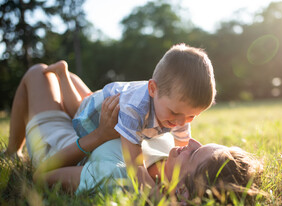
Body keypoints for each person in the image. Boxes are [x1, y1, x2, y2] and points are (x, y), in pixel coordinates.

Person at [5, 61, 263, 199]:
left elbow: (42, 177)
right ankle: (66, 79)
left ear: (182, 191)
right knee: (71, 82)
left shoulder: (122, 180)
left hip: (61, 143)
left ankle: (11, 151)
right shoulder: (172, 150)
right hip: (93, 123)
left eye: (194, 154)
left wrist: (100, 136)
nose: (190, 142)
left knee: (38, 72)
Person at [43, 43, 216, 177]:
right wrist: (156, 195)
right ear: (153, 89)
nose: (180, 123)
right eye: (175, 113)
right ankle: (62, 74)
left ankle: (68, 77)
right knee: (75, 108)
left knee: (87, 97)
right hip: (98, 110)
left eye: (192, 116)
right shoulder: (135, 110)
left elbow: (183, 146)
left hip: (116, 94)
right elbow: (136, 166)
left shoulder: (179, 110)